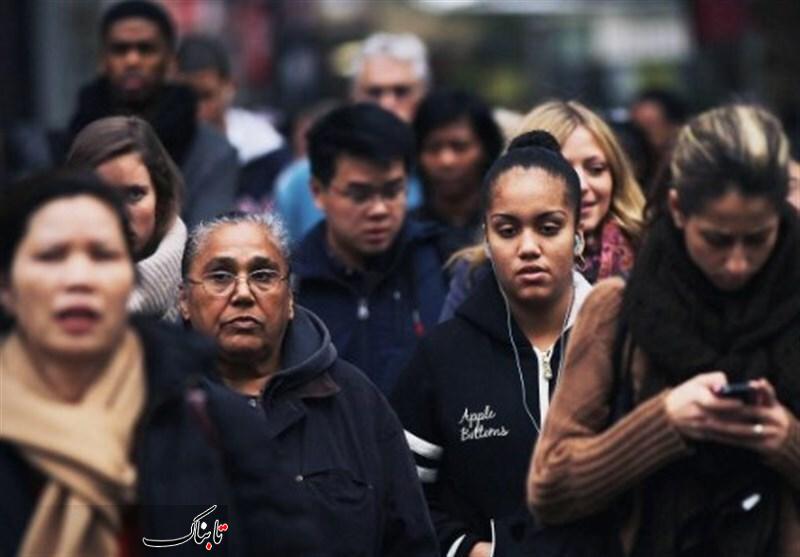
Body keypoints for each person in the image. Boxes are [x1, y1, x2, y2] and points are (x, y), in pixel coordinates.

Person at [529, 105, 800, 556]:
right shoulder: (618, 309)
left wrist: (784, 438)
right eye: (716, 239)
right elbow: (550, 487)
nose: (737, 262)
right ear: (677, 209)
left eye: (757, 239)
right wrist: (665, 420)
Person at [0, 171, 237, 556]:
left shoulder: (208, 421)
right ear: (7, 288)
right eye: (51, 256)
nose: (79, 279)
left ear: (131, 279)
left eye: (102, 255)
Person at [178, 212, 439, 556]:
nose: (242, 293)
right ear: (183, 299)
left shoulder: (354, 401)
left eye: (263, 275)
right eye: (221, 275)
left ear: (290, 300)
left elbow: (411, 545)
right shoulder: (154, 407)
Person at [392, 131, 592, 557]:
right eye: (508, 229)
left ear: (578, 233)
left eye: (549, 227)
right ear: (486, 235)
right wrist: (472, 551)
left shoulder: (620, 344)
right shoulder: (443, 357)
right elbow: (403, 500)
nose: (528, 248)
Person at [292, 103, 447, 396]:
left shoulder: (440, 262)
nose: (379, 210)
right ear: (317, 192)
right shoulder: (292, 284)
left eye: (392, 191)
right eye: (359, 195)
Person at [441, 100, 645, 321]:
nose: (582, 185)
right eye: (563, 170)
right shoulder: (478, 274)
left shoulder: (649, 256)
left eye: (595, 169)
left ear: (615, 176)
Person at [67, 0, 238, 227]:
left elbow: (205, 241)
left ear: (170, 61)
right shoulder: (70, 144)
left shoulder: (211, 152)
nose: (132, 60)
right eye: (120, 49)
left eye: (146, 49)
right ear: (102, 60)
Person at [272, 32, 429, 244]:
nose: (387, 104)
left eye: (401, 91)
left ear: (423, 96)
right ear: (354, 97)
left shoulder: (440, 173)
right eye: (374, 92)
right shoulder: (299, 182)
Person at [67, 115, 185, 321]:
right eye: (100, 195)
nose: (119, 213)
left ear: (161, 199)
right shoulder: (34, 300)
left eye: (134, 195)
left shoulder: (202, 298)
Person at [176, 34, 293, 209]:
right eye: (185, 98)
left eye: (206, 96)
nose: (197, 110)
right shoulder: (162, 149)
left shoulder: (265, 149)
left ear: (230, 87)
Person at [412, 90, 504, 261]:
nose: (446, 161)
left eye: (459, 147)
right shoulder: (405, 235)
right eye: (433, 148)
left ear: (485, 149)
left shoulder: (505, 226)